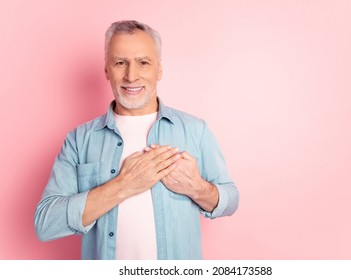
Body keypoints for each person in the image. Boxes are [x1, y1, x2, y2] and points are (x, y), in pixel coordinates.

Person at [34, 20, 239, 260]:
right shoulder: (79, 140)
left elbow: (230, 200)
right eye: (120, 63)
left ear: (159, 70)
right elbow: (46, 223)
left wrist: (197, 187)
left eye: (143, 62)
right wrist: (123, 185)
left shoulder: (195, 130)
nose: (131, 76)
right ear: (107, 70)